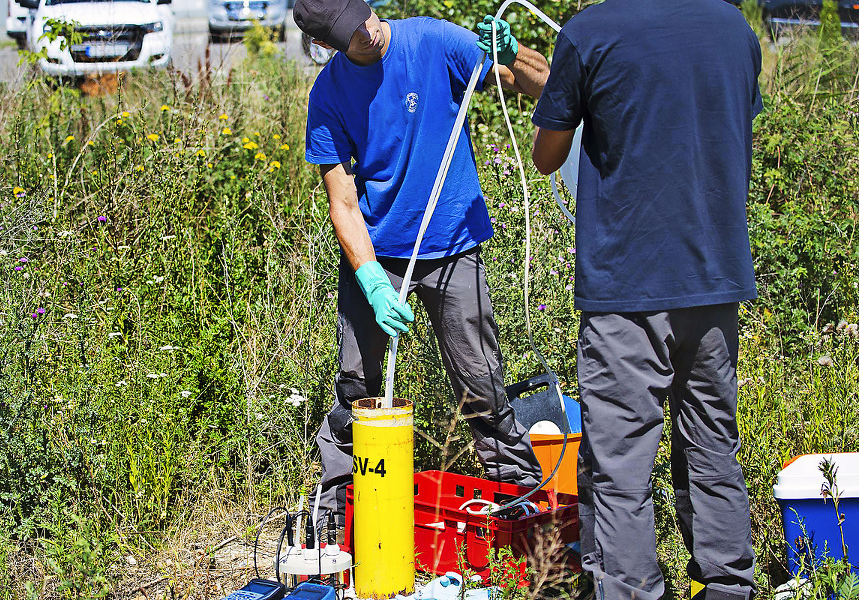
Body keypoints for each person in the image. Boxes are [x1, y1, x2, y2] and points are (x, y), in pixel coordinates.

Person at [530, 1, 763, 599]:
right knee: (712, 443)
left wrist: (554, 93)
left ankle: (631, 591)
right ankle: (728, 585)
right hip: (714, 280)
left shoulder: (590, 31)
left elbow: (547, 154)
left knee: (621, 466)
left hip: (627, 288)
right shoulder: (733, 28)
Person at [293, 0, 551, 523]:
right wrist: (369, 278)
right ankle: (338, 513)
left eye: (362, 16)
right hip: (378, 253)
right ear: (324, 46)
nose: (366, 32)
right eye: (348, 34)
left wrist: (514, 51)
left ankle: (521, 496)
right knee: (357, 388)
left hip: (453, 245)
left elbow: (543, 85)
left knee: (481, 379)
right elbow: (342, 203)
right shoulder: (329, 97)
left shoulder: (434, 41)